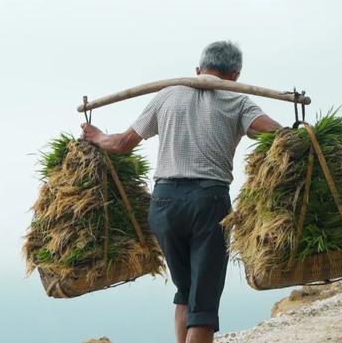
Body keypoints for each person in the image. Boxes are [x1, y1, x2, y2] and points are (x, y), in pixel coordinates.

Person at [81, 41, 282, 343]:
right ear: (236, 75)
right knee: (204, 305)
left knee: (185, 292)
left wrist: (96, 136)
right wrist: (297, 129)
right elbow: (276, 133)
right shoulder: (237, 100)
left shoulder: (168, 95)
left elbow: (122, 144)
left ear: (198, 70)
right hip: (208, 203)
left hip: (164, 205)